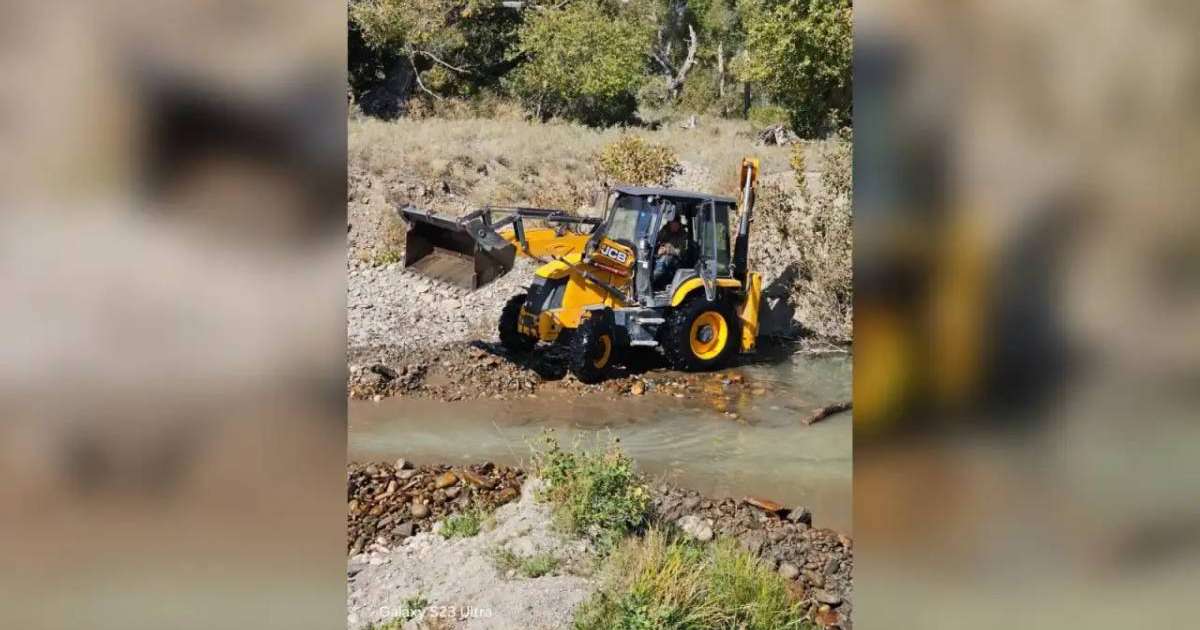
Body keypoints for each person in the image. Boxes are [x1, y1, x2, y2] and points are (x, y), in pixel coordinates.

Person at [652, 215, 687, 288]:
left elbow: (680, 252)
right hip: (662, 255)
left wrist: (667, 249)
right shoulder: (665, 230)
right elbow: (655, 240)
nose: (674, 226)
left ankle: (652, 281)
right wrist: (658, 249)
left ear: (679, 224)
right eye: (672, 224)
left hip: (678, 260)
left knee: (665, 259)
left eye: (676, 225)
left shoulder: (683, 234)